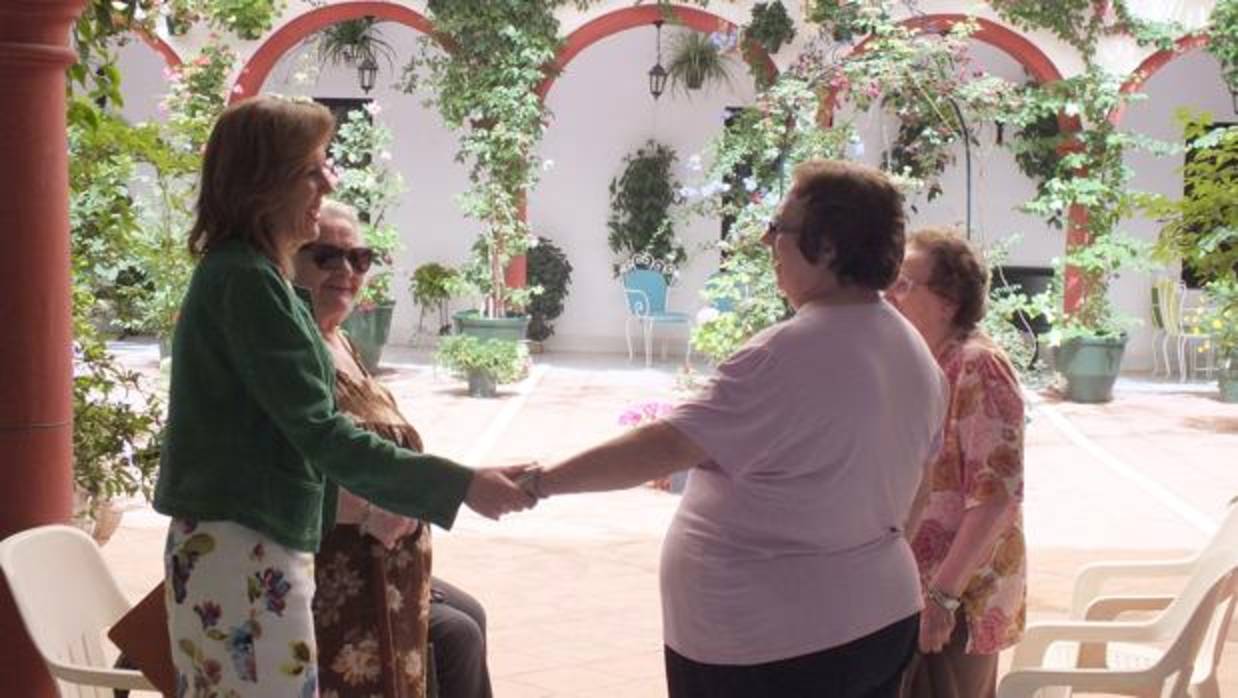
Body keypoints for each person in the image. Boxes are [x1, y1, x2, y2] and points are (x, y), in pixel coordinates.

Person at [518, 160, 950, 698]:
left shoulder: (789, 351)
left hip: (775, 644)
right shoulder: (912, 351)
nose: (769, 243)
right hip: (874, 617)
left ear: (830, 246)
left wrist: (540, 481)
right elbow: (919, 486)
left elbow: (667, 445)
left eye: (780, 228)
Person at [152, 95, 532, 697]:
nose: (327, 180)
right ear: (264, 183)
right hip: (241, 551)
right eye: (313, 168)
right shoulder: (247, 281)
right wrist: (460, 485)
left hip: (248, 543)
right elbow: (321, 432)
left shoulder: (253, 276)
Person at [292, 200, 493, 698]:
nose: (346, 271)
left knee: (469, 616)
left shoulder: (341, 340)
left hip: (385, 562)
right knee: (457, 635)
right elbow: (292, 462)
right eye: (326, 257)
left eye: (358, 259)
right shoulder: (294, 348)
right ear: (289, 259)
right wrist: (367, 510)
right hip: (334, 567)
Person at [886, 228, 1026, 698]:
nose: (890, 293)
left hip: (957, 600)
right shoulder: (927, 362)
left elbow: (995, 495)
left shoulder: (978, 366)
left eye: (905, 282)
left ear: (947, 300)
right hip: (917, 591)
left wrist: (942, 597)